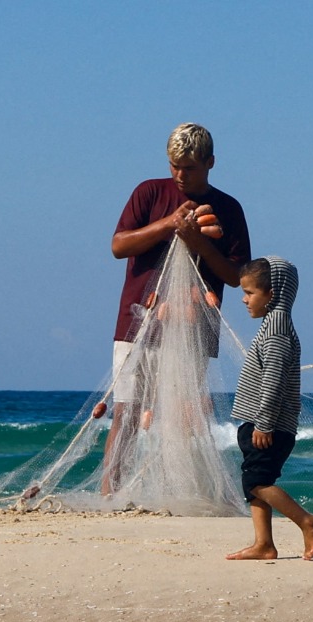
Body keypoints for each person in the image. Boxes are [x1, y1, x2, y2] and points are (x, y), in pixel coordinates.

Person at [101, 122, 251, 494]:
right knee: (128, 413)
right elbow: (119, 245)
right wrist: (169, 223)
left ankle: (181, 491)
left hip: (193, 328)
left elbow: (235, 276)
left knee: (185, 414)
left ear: (211, 163)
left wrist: (199, 244)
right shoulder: (149, 193)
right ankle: (110, 494)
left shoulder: (228, 208)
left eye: (189, 168)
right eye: (174, 166)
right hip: (137, 322)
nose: (180, 175)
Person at [225, 257, 313, 561]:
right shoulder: (273, 324)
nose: (244, 299)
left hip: (270, 425)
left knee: (256, 482)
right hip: (258, 421)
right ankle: (264, 544)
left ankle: (308, 522)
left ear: (273, 293)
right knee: (253, 482)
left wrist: (265, 423)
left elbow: (274, 378)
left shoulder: (277, 329)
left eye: (250, 292)